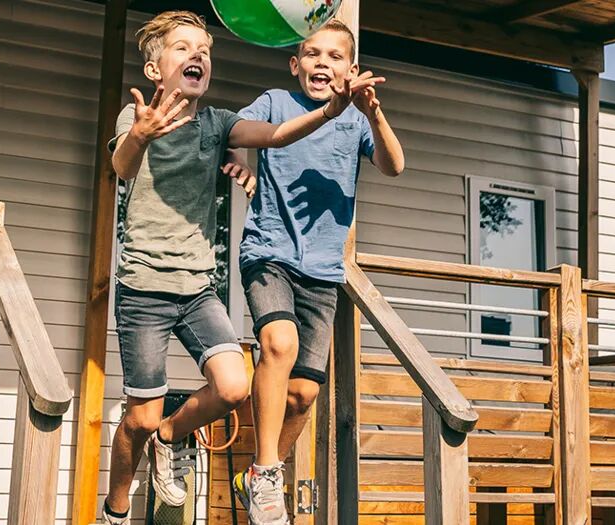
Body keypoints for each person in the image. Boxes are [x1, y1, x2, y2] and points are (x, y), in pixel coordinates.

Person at [101, 11, 383, 524]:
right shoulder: (133, 118)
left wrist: (332, 110)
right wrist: (140, 134)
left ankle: (171, 437)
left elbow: (278, 135)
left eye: (205, 51)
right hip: (144, 286)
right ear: (154, 70)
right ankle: (115, 511)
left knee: (233, 388)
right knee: (139, 420)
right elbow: (122, 166)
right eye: (183, 48)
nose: (197, 56)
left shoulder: (217, 124)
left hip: (197, 287)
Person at [232, 19, 405, 525]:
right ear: (295, 64)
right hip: (269, 252)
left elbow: (394, 165)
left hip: (323, 271)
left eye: (334, 57)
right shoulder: (275, 103)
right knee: (278, 344)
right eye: (312, 54)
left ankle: (258, 473)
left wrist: (373, 113)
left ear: (351, 69)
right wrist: (238, 161)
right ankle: (267, 472)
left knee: (304, 394)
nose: (322, 63)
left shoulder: (356, 122)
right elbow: (233, 132)